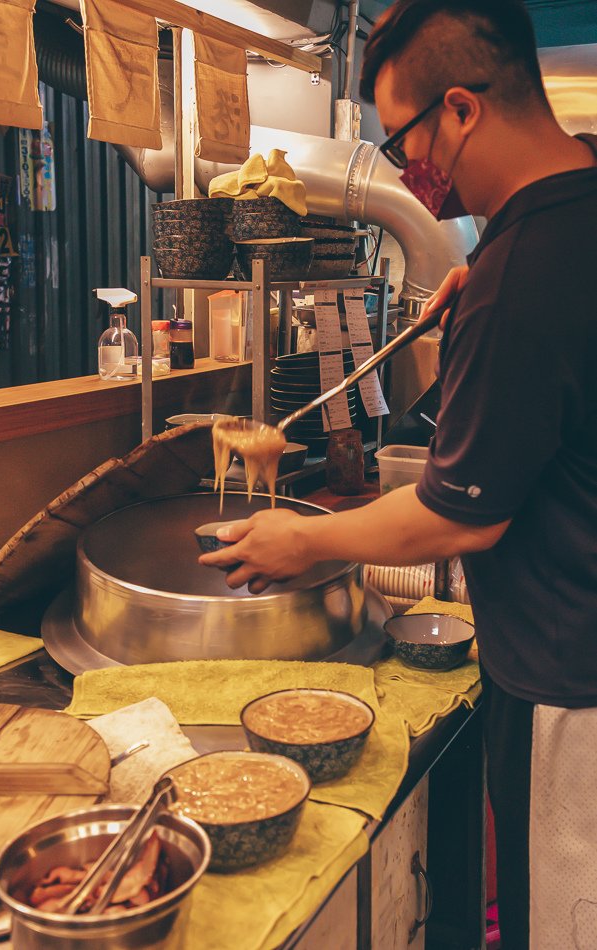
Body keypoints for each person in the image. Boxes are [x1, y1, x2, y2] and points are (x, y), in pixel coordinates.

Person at [200, 2, 597, 946]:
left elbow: (463, 518)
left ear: (460, 109)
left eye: (402, 137)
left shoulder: (527, 266)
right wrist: (495, 259)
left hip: (567, 679)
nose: (401, 168)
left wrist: (306, 539)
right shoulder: (560, 214)